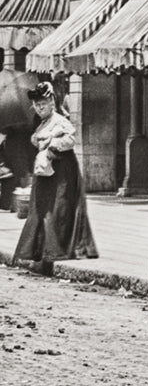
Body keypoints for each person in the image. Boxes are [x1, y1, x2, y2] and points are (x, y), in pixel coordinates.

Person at [14, 82, 97, 270]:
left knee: (59, 207)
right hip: (46, 170)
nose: (39, 108)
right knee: (41, 207)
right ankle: (40, 248)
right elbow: (37, 140)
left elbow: (70, 140)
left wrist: (52, 147)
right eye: (36, 105)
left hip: (61, 170)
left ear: (52, 102)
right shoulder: (42, 122)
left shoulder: (60, 121)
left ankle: (57, 248)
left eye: (43, 103)